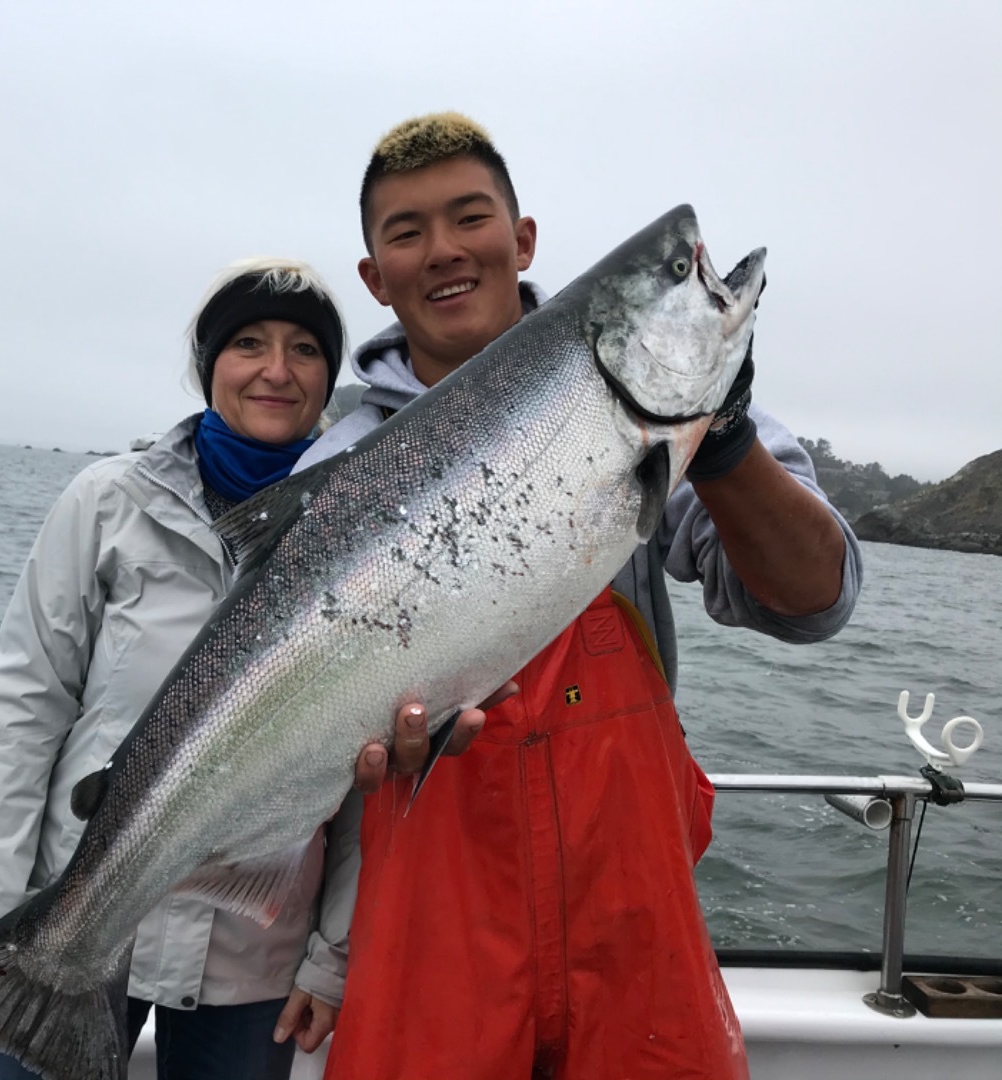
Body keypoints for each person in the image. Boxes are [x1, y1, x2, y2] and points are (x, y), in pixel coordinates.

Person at [293, 114, 863, 1080]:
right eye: (406, 231)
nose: (443, 251)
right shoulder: (341, 468)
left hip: (630, 908)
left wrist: (718, 444)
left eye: (470, 217)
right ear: (374, 277)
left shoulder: (673, 410)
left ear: (521, 242)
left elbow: (814, 602)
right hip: (434, 926)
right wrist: (329, 952)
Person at [0, 258, 359, 1080]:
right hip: (70, 915)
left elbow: (360, 769)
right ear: (209, 366)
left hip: (256, 949)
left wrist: (331, 956)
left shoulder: (362, 524)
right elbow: (24, 715)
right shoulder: (107, 502)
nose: (277, 370)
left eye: (304, 349)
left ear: (327, 378)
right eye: (248, 343)